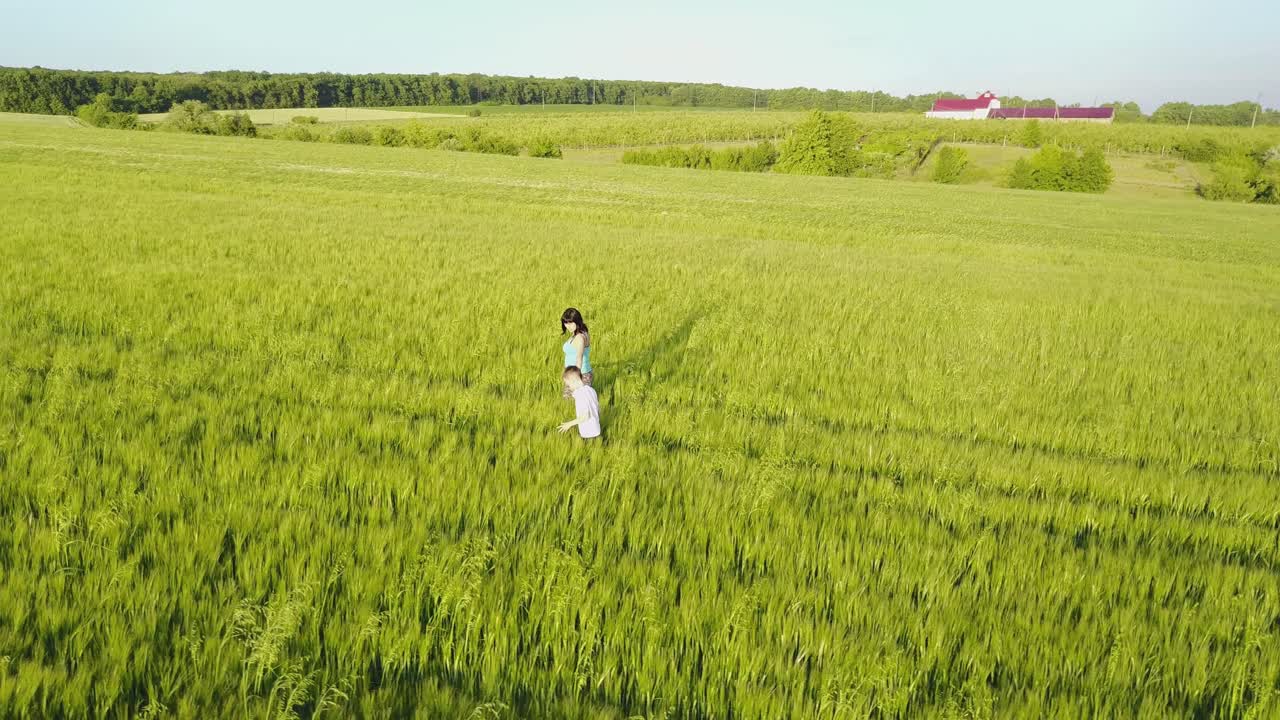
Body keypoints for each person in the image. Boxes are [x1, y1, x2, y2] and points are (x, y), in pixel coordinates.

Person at [558, 366, 601, 439]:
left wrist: (569, 424)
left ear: (574, 381)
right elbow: (598, 409)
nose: (569, 387)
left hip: (587, 433)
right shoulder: (591, 390)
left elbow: (585, 417)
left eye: (568, 385)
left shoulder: (580, 395)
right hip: (596, 429)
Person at [560, 307, 593, 398]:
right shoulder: (580, 332)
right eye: (566, 323)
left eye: (570, 322)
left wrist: (575, 377)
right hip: (575, 373)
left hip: (579, 374)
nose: (567, 326)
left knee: (573, 401)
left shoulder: (580, 338)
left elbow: (579, 358)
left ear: (577, 321)